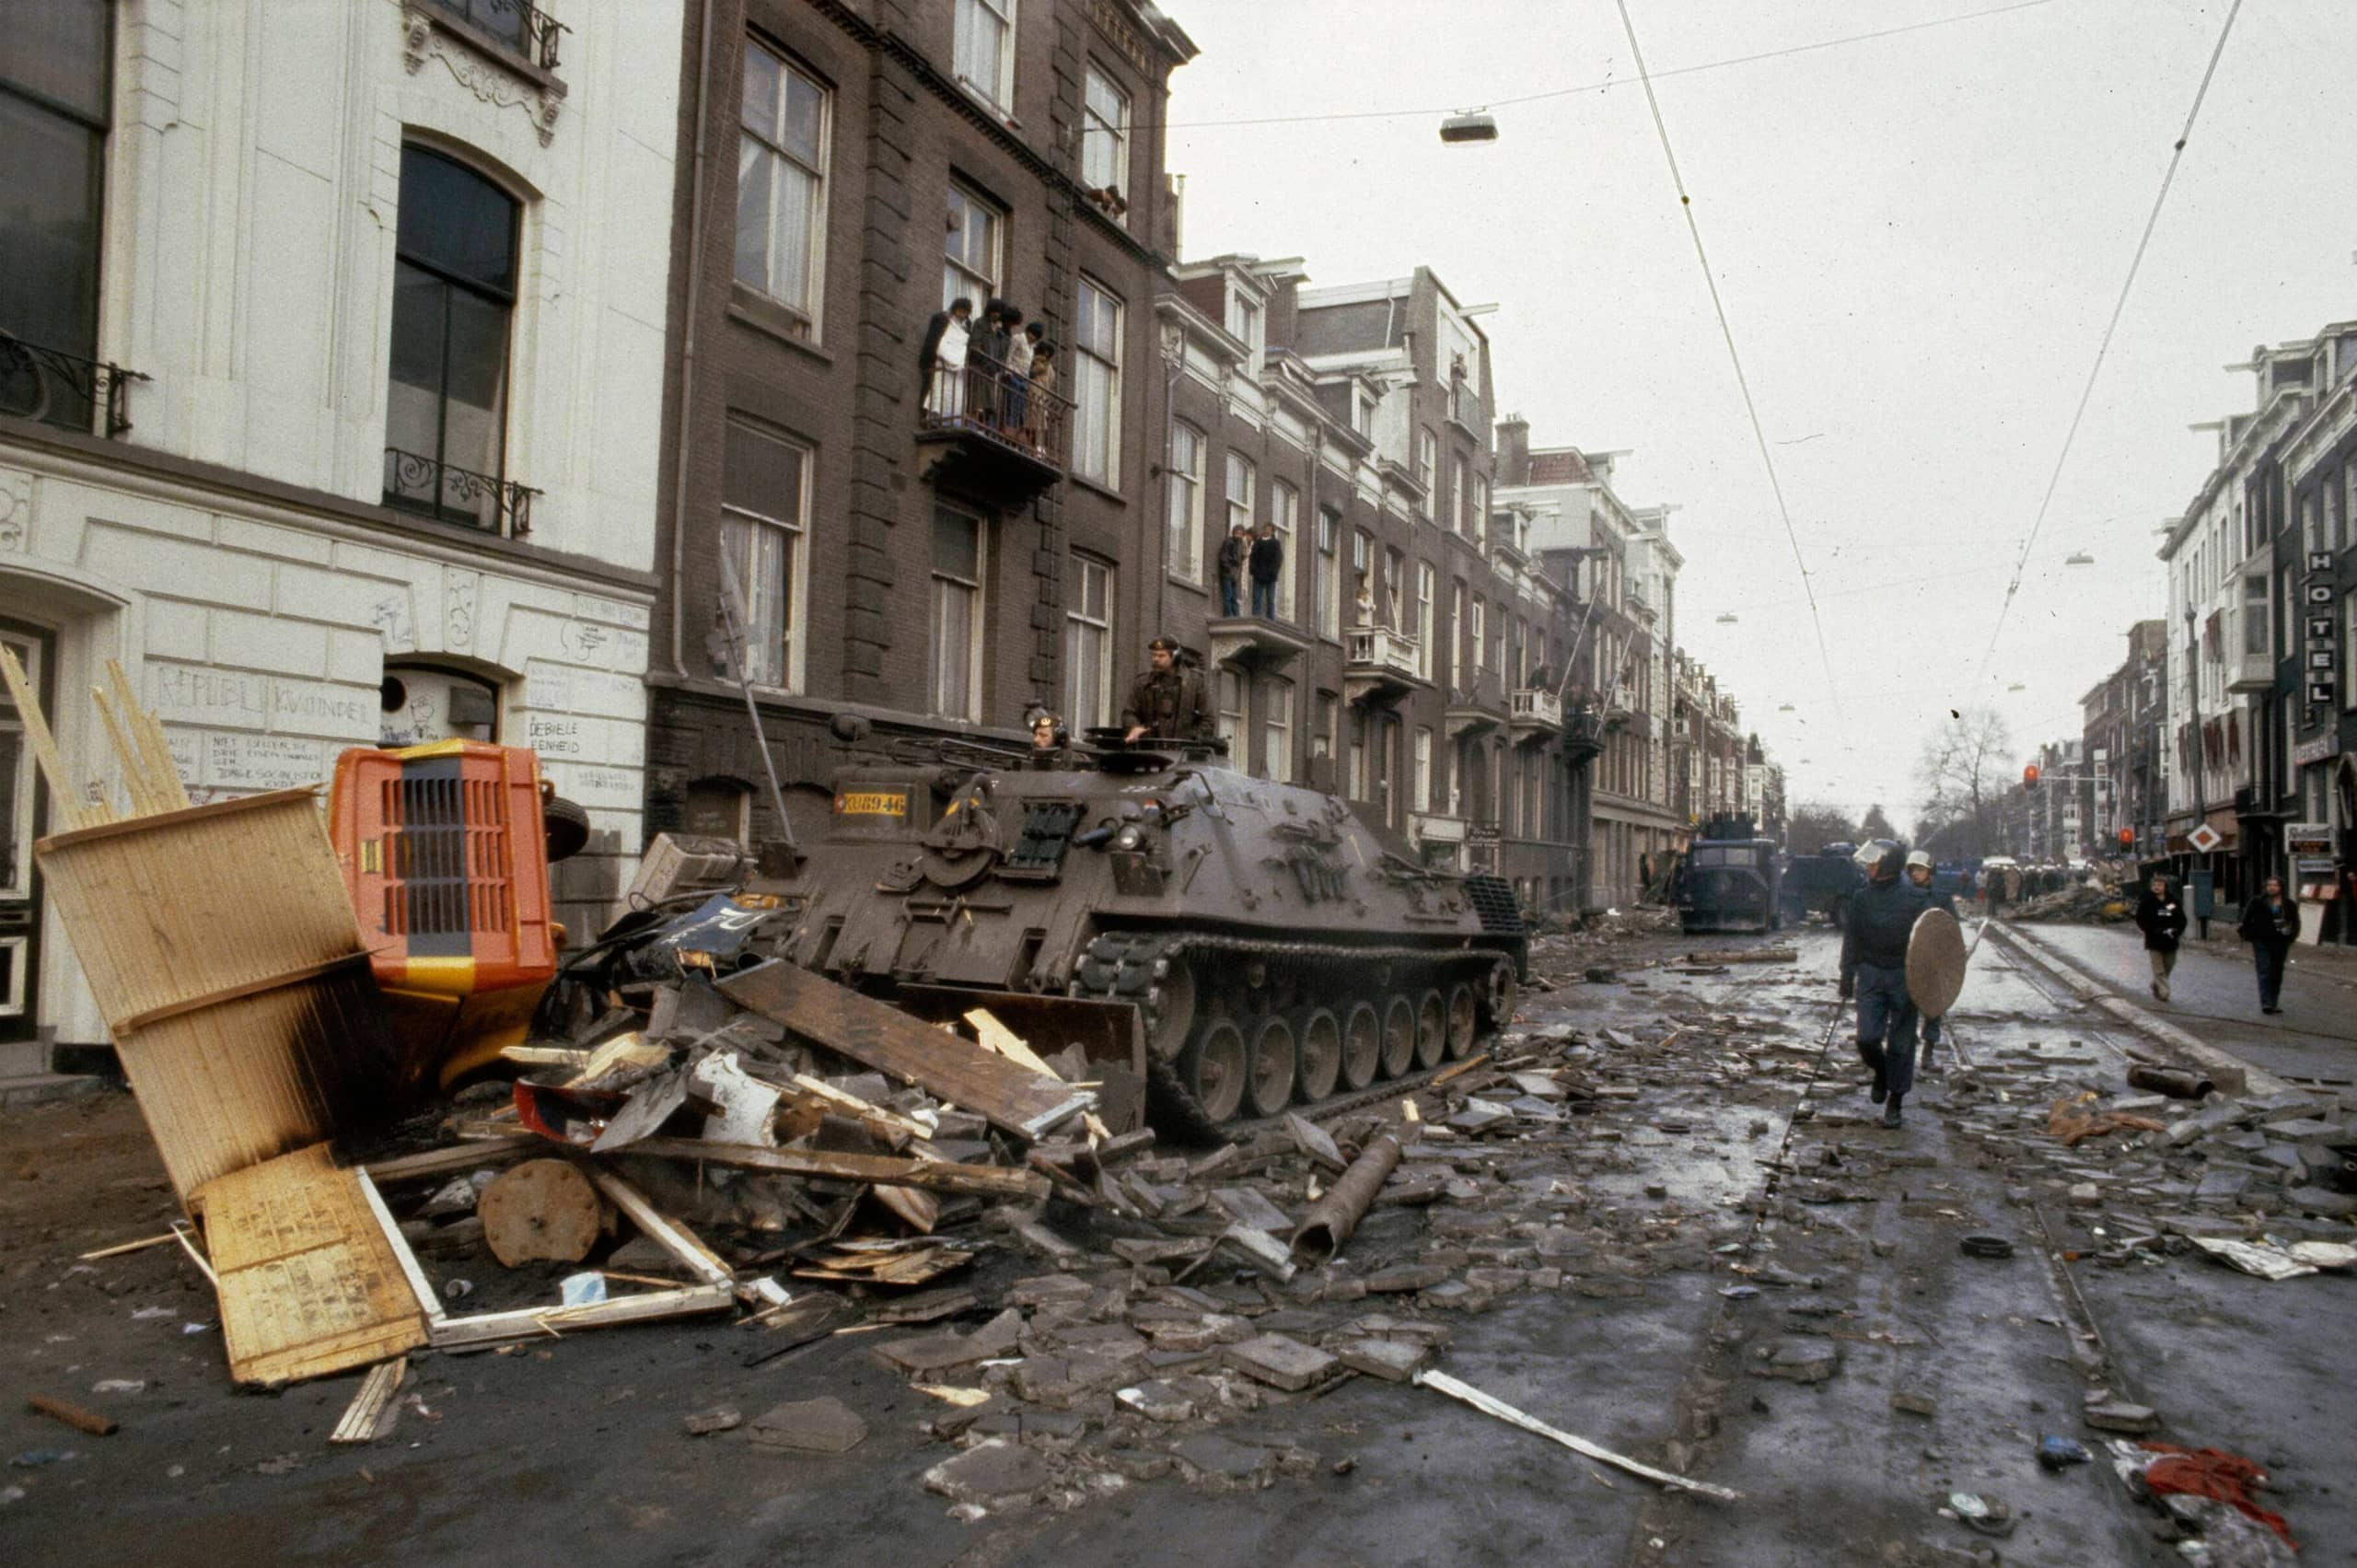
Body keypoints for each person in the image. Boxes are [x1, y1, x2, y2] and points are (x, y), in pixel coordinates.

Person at [1839, 840, 1931, 1128]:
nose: (1868, 868)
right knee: (1867, 1037)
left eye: (1874, 863)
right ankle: (1881, 1072)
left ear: (1888, 865)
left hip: (1905, 976)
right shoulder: (1861, 898)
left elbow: (1931, 940)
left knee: (1902, 1043)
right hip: (1870, 973)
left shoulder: (1916, 899)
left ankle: (1896, 1101)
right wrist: (1846, 973)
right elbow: (1851, 938)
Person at [1903, 849, 1956, 1071]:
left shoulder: (1941, 897)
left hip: (1934, 961)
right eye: (1913, 870)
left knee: (1934, 1009)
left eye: (1921, 870)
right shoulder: (1903, 895)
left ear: (1929, 872)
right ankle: (1905, 1051)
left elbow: (1952, 927)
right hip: (1909, 960)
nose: (1917, 874)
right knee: (1906, 1007)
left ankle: (1928, 1053)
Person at [1120, 636, 1213, 743]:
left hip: (1183, 752)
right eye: (1154, 655)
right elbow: (1129, 712)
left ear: (1175, 657)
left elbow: (1208, 720)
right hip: (1149, 750)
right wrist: (1134, 727)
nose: (1155, 659)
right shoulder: (1142, 683)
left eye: (1161, 656)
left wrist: (1190, 739)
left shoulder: (1195, 683)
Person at [2236, 876, 2300, 1015]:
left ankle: (2273, 1002)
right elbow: (2246, 918)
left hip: (2280, 942)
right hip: (2261, 940)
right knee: (2264, 969)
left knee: (2276, 971)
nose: (2272, 888)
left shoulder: (2289, 904)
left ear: (2281, 887)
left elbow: (2295, 922)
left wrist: (2291, 937)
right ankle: (2266, 1002)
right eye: (2269, 885)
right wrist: (2247, 933)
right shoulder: (2258, 901)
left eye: (2275, 885)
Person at [2133, 872, 2189, 1002]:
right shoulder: (2147, 901)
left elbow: (2181, 919)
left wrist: (2176, 931)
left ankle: (2155, 984)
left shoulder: (2173, 902)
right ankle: (2164, 992)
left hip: (2170, 939)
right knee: (2158, 968)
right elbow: (2140, 919)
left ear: (2165, 886)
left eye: (2159, 885)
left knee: (2169, 965)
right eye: (2154, 885)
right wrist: (2150, 930)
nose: (2157, 887)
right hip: (2154, 940)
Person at [920, 297, 973, 418]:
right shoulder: (943, 320)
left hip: (957, 368)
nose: (962, 314)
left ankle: (949, 419)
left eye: (965, 312)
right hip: (941, 364)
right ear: (955, 309)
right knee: (939, 392)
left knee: (954, 396)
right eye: (961, 310)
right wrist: (928, 360)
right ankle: (934, 416)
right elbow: (935, 340)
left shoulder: (966, 328)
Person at [1017, 339, 1057, 454]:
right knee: (1036, 423)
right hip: (1040, 397)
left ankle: (1033, 448)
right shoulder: (1050, 369)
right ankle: (1035, 448)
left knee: (1032, 422)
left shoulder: (1039, 364)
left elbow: (1029, 374)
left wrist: (1034, 362)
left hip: (1034, 394)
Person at [1248, 519, 1284, 619]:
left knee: (1270, 599)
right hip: (1258, 574)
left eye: (1269, 529)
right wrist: (1253, 570)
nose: (1266, 531)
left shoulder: (1275, 543)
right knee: (1256, 597)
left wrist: (1273, 571)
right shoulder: (1258, 543)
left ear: (1272, 532)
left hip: (1270, 576)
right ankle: (1255, 616)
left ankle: (1270, 618)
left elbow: (1278, 558)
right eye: (1265, 529)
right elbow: (1253, 557)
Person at [1217, 525, 1248, 617]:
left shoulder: (1240, 544)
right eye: (1237, 533)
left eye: (1240, 534)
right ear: (1233, 533)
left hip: (1234, 574)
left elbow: (1237, 559)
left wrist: (1242, 557)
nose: (1238, 535)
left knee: (1234, 597)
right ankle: (1228, 616)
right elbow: (1224, 557)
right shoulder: (1229, 542)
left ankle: (1236, 617)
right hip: (1228, 573)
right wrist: (1228, 568)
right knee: (1228, 595)